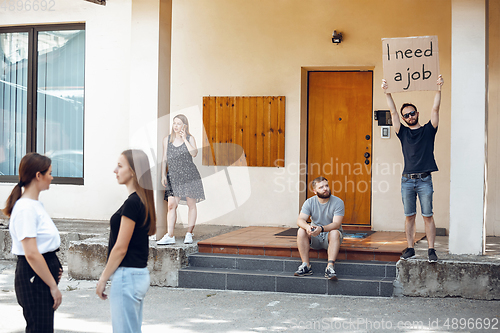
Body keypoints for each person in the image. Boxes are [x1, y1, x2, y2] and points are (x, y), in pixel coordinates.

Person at [382, 75, 444, 263]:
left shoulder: (429, 129)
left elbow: (435, 108)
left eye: (412, 113)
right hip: (407, 180)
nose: (410, 116)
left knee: (427, 215)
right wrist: (387, 93)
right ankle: (410, 248)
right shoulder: (403, 132)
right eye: (406, 115)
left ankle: (431, 250)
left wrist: (438, 88)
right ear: (403, 118)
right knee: (409, 216)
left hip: (424, 179)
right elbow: (392, 112)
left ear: (417, 113)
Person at [96, 149, 156, 333]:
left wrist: (103, 279)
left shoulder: (133, 203)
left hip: (127, 276)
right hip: (137, 274)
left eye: (120, 166)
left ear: (133, 172)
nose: (115, 170)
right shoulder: (141, 201)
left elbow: (120, 248)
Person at [3, 152, 63, 333]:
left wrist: (55, 267)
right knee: (39, 328)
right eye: (50, 173)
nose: (52, 177)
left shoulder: (34, 205)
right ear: (38, 175)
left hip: (39, 275)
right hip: (33, 278)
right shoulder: (26, 209)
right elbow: (31, 253)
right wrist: (53, 285)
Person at [157, 114, 205, 245]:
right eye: (174, 123)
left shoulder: (190, 138)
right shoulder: (167, 139)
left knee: (191, 204)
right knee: (171, 205)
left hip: (189, 176)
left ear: (185, 125)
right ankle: (170, 235)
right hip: (173, 176)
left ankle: (189, 233)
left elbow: (194, 153)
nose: (176, 126)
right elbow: (164, 159)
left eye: (178, 123)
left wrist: (184, 139)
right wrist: (163, 175)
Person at [295, 177, 344, 280]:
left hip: (330, 237)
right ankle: (306, 265)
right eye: (321, 187)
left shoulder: (338, 202)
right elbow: (300, 220)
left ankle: (330, 267)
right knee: (301, 230)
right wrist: (308, 227)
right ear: (315, 191)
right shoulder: (309, 202)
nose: (325, 189)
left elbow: (336, 224)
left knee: (335, 232)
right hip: (314, 236)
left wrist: (321, 229)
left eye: (326, 186)